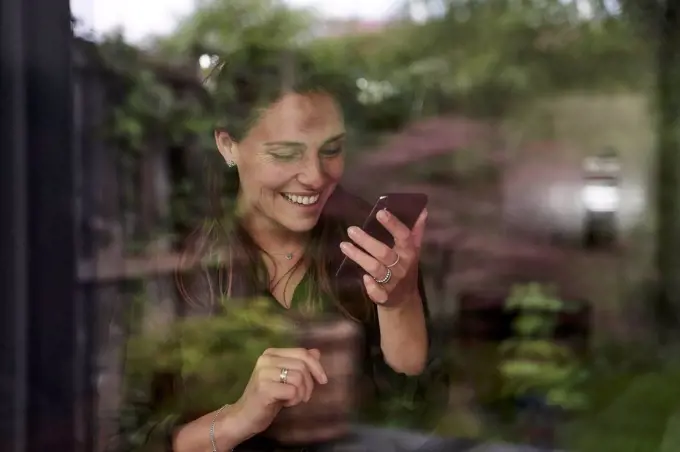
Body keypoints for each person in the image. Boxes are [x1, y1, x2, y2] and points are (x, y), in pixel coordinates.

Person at [119, 87, 441, 452]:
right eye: (286, 153)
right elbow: (130, 439)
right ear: (228, 146)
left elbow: (416, 405)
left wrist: (399, 303)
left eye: (331, 150)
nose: (315, 177)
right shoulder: (182, 266)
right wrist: (236, 421)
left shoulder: (369, 250)